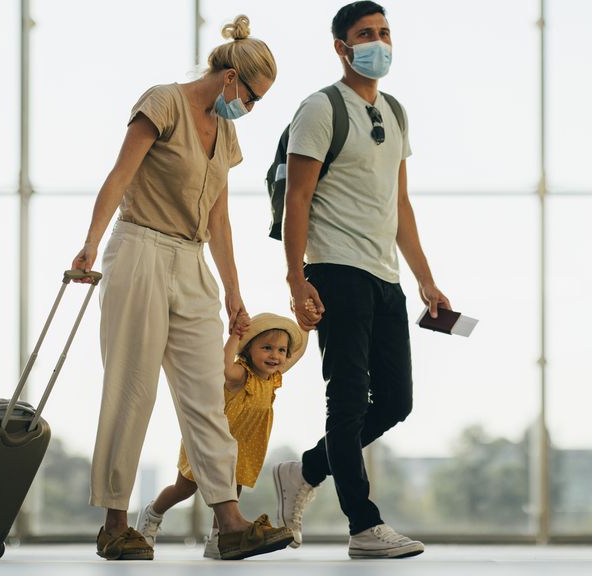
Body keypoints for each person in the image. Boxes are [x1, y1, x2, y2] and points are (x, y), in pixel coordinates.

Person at [71, 15, 293, 561]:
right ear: (228, 78)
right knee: (132, 387)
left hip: (192, 262)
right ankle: (115, 523)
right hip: (139, 248)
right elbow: (120, 175)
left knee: (207, 395)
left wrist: (233, 290)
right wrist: (90, 244)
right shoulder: (164, 102)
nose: (252, 108)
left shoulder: (227, 132)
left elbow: (219, 215)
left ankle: (230, 522)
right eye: (253, 97)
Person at [273, 1, 451, 559]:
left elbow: (399, 203)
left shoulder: (395, 112)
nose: (379, 42)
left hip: (384, 275)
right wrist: (297, 279)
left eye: (384, 32)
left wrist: (427, 280)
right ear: (341, 47)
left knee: (396, 401)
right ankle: (363, 526)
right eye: (365, 34)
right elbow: (297, 199)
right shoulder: (320, 109)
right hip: (336, 270)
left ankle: (302, 471)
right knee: (347, 401)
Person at [135, 312, 308, 559]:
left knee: (233, 489)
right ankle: (153, 513)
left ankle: (219, 538)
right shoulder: (242, 374)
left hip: (245, 444)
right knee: (184, 488)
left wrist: (307, 327)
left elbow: (297, 353)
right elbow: (224, 368)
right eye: (267, 348)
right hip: (211, 442)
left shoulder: (273, 378)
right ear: (248, 349)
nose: (275, 355)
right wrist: (235, 336)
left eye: (281, 350)